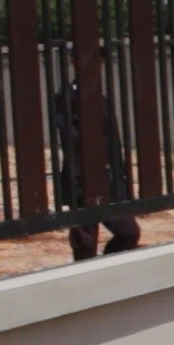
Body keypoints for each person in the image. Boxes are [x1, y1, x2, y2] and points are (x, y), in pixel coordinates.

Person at [51, 79, 142, 261]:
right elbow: (70, 138)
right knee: (85, 243)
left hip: (107, 176)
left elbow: (113, 139)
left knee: (128, 231)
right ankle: (86, 278)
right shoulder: (66, 97)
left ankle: (108, 268)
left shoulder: (100, 96)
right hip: (81, 175)